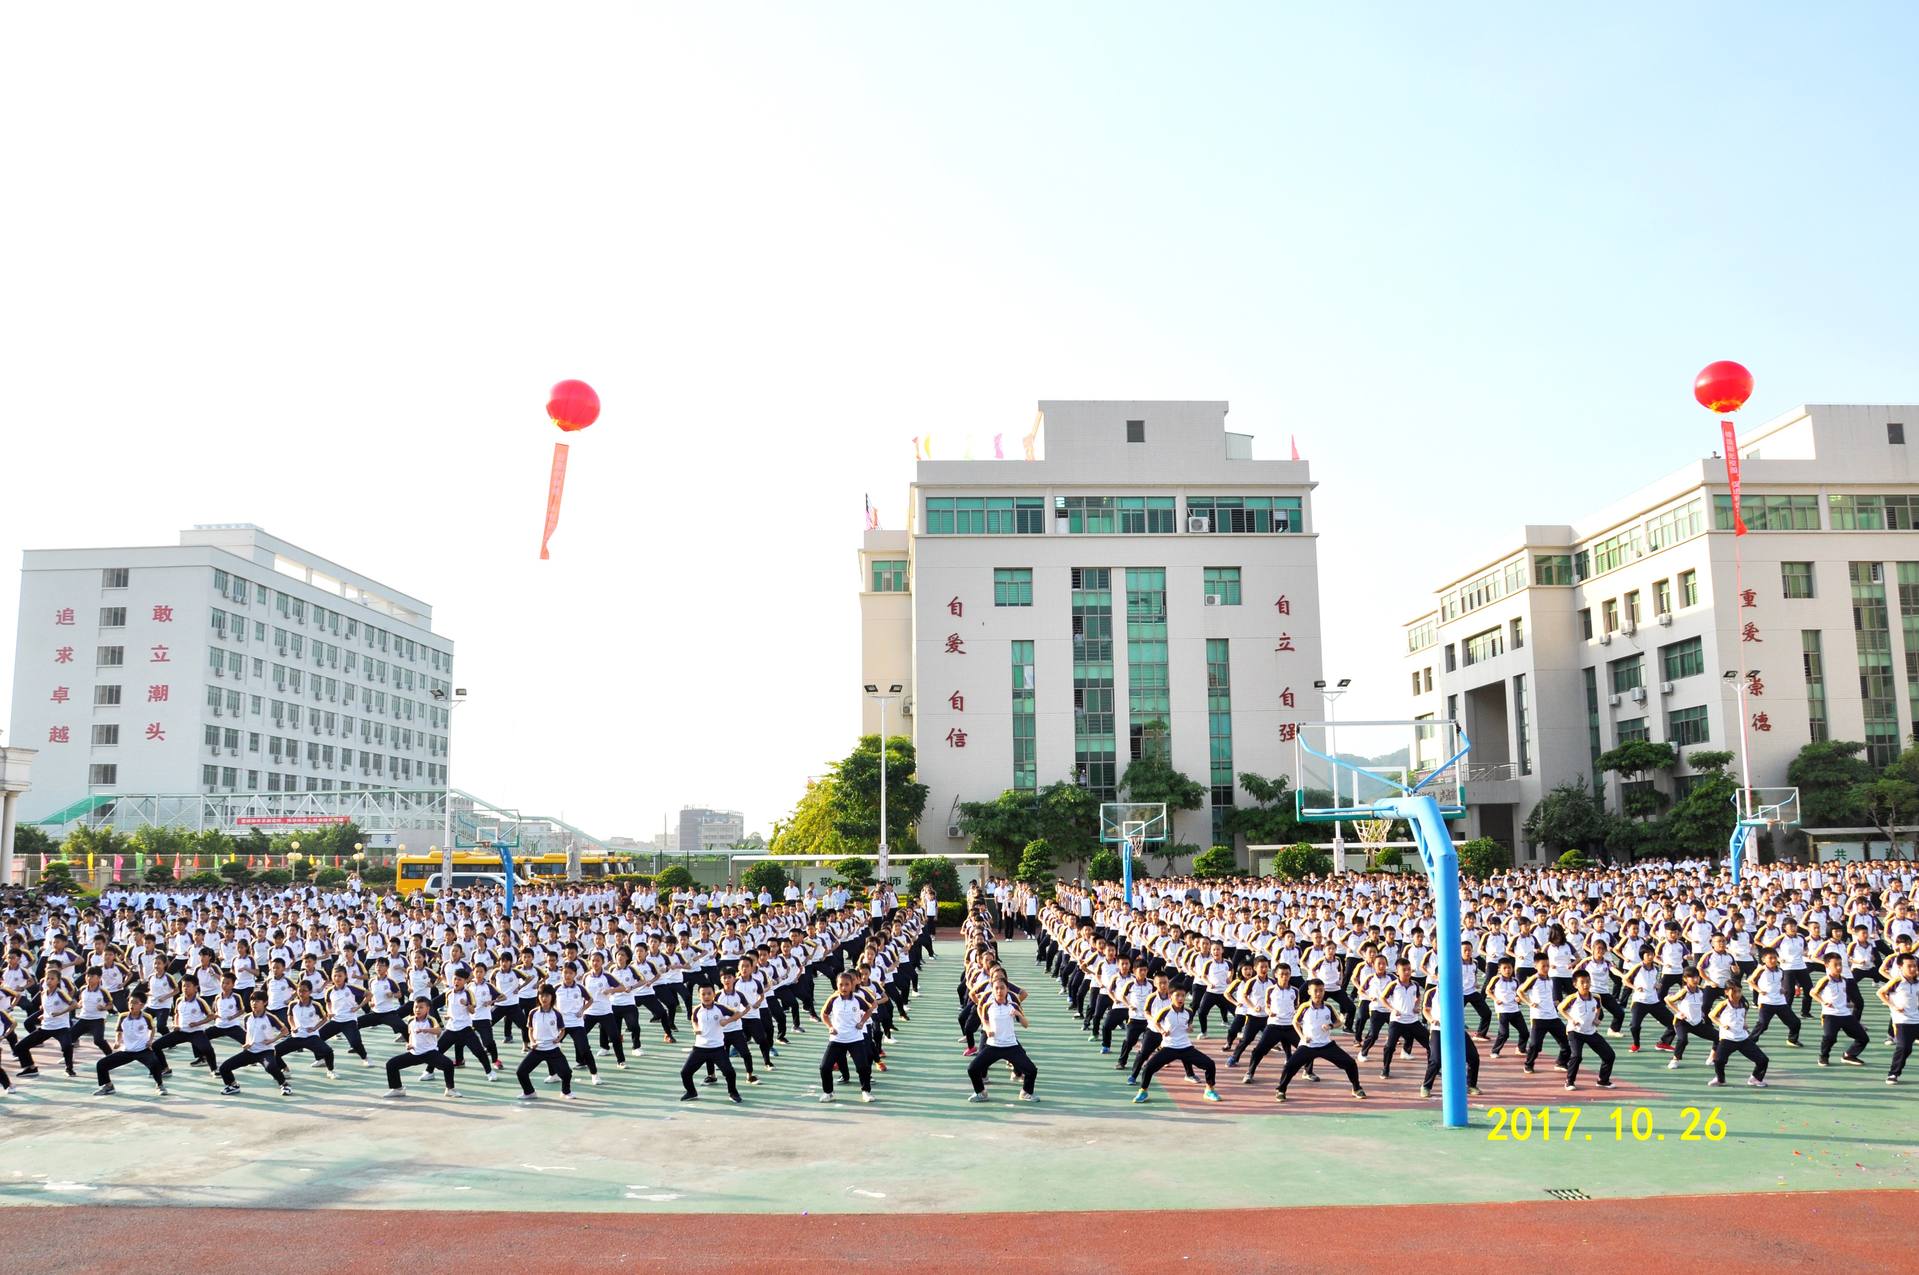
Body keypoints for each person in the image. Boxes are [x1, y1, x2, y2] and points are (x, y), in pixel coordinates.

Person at [1274, 980, 1365, 1102]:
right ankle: (1281, 1090)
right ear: (1309, 992)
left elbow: (1338, 1022)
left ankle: (1356, 1088)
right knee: (1290, 1066)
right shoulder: (1304, 1007)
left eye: (1321, 990)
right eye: (1315, 990)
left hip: (1326, 1044)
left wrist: (1331, 1026)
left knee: (1350, 1063)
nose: (1318, 993)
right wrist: (1302, 1036)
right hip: (1308, 1045)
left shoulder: (1328, 1007)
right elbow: (1295, 1022)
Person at [1132, 989, 1221, 1103]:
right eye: (1177, 995)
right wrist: (1162, 1030)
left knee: (1210, 1064)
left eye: (1183, 996)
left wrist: (1190, 1028)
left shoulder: (1189, 1011)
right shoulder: (1164, 1011)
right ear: (1171, 997)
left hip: (1185, 1047)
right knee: (1148, 1067)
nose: (1180, 998)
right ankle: (1143, 1091)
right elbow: (1156, 1022)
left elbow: (1189, 1023)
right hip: (1169, 1047)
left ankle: (1209, 1090)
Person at [967, 976, 1038, 1102]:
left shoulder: (1014, 1005)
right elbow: (985, 1021)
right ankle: (981, 1092)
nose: (999, 991)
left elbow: (1026, 1024)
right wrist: (988, 1029)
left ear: (1007, 990)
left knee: (1031, 1070)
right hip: (993, 1046)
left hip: (1011, 1046)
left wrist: (1018, 1014)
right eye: (996, 988)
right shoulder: (987, 1005)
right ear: (993, 990)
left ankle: (1026, 1092)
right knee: (972, 1069)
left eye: (1002, 988)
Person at [679, 983, 747, 1103]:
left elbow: (737, 1013)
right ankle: (691, 1092)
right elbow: (694, 1019)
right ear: (699, 996)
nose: (706, 996)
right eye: (703, 994)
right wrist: (695, 1028)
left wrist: (727, 1021)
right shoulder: (697, 1009)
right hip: (700, 1048)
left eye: (709, 993)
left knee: (730, 1073)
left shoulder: (720, 1008)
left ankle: (733, 1093)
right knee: (685, 1072)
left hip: (717, 1048)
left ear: (714, 994)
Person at [93, 990, 169, 1097]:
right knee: (101, 1064)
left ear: (141, 1005)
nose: (131, 1005)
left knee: (155, 1063)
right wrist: (117, 1041)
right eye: (130, 1002)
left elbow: (152, 1029)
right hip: (127, 1051)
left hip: (142, 1050)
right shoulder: (123, 1016)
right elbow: (119, 1030)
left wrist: (150, 1041)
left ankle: (160, 1085)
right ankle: (108, 1086)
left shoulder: (146, 1017)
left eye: (134, 1002)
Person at [216, 991, 293, 1096]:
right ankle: (233, 1085)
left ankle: (284, 1084)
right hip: (251, 1051)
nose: (254, 1003)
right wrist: (247, 1043)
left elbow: (285, 1031)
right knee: (224, 1067)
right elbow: (248, 1033)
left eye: (257, 1001)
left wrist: (273, 1040)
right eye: (252, 1000)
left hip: (266, 1051)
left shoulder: (270, 1017)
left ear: (265, 1002)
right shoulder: (247, 1017)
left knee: (270, 1067)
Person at [383, 998, 458, 1098]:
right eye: (416, 1007)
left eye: (421, 1007)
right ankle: (397, 1089)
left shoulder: (431, 1020)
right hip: (415, 1053)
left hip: (430, 1053)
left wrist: (424, 1030)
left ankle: (450, 1089)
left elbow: (438, 1031)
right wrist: (409, 1044)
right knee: (391, 1064)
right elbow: (410, 1034)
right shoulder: (410, 1020)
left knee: (448, 1064)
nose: (417, 1009)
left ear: (427, 1009)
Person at [818, 972, 875, 1103]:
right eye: (841, 985)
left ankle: (866, 1091)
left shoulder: (857, 999)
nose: (844, 988)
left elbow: (869, 1009)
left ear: (852, 985)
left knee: (863, 1067)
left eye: (847, 985)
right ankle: (828, 1093)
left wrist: (862, 1022)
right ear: (837, 985)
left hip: (855, 1038)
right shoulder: (833, 999)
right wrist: (830, 1027)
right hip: (837, 1039)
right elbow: (824, 1014)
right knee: (825, 1067)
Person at [1558, 970, 1616, 1092]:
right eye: (1582, 982)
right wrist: (1571, 1019)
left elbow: (1598, 1008)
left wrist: (1596, 1018)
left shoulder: (1596, 997)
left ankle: (1603, 1081)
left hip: (1591, 1031)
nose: (1586, 985)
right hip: (1575, 1032)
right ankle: (1569, 1081)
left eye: (1588, 982)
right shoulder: (1572, 998)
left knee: (1609, 1055)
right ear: (1575, 984)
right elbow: (1560, 1008)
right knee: (1576, 1056)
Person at [514, 985, 575, 1101]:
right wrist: (532, 1041)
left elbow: (562, 1030)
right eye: (541, 995)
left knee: (566, 1073)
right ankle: (529, 1092)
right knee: (521, 1072)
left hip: (553, 1049)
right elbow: (530, 1030)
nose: (544, 998)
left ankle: (565, 1091)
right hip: (537, 1049)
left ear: (552, 997)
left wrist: (558, 1038)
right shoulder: (533, 1013)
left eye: (547, 995)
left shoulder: (557, 1014)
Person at [1811, 953, 1869, 1067]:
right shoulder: (1825, 980)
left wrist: (1849, 1004)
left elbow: (1841, 996)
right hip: (1830, 1014)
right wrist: (1823, 1002)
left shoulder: (1844, 980)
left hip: (1845, 1014)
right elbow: (1812, 993)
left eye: (1840, 965)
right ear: (1827, 965)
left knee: (1863, 1038)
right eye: (1835, 965)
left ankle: (1849, 1055)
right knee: (1830, 1037)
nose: (1839, 967)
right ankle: (1824, 1056)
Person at [1707, 980, 1768, 1088]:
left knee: (1763, 1060)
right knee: (1718, 1060)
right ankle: (1720, 1079)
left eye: (1739, 991)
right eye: (1734, 991)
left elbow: (1743, 1015)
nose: (1737, 994)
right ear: (1726, 992)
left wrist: (1744, 1023)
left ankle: (1755, 1078)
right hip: (1727, 1039)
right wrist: (1721, 1024)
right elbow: (1711, 1015)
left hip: (1743, 1039)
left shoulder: (1744, 1004)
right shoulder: (1723, 1004)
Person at [1876, 951, 1919, 1084]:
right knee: (1904, 1047)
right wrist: (1893, 1006)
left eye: (1914, 966)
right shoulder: (1897, 981)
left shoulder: (1917, 982)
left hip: (1917, 1018)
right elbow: (1880, 992)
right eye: (1909, 966)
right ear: (1900, 967)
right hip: (1902, 1021)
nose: (1913, 969)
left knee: (1907, 1048)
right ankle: (1893, 1074)